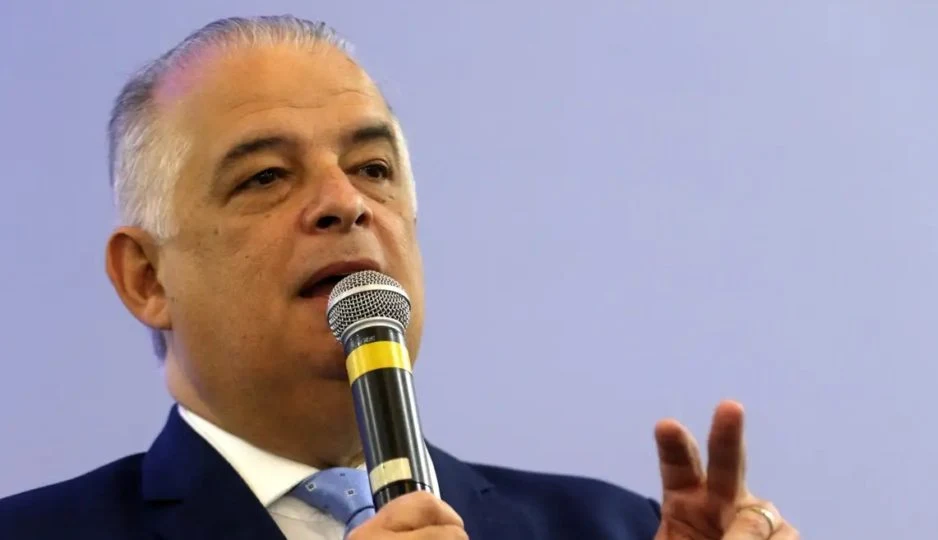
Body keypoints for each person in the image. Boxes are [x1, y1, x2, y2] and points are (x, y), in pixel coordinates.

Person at [0, 16, 798, 540]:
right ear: (146, 278)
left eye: (373, 168)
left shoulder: (608, 528)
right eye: (266, 177)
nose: (344, 202)